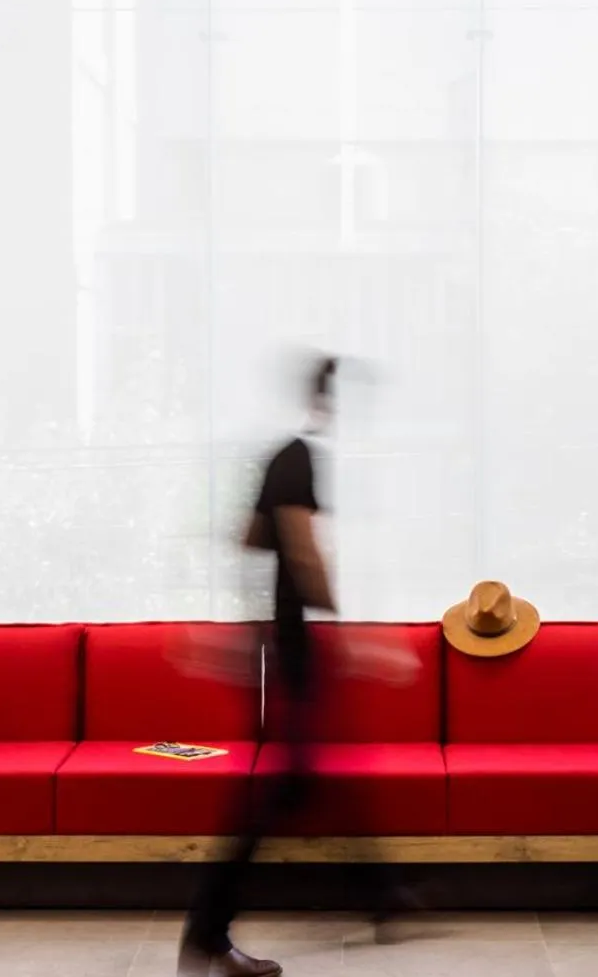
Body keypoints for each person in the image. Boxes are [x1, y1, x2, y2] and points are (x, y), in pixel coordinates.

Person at [179, 355, 413, 977]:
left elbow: (250, 537)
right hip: (296, 646)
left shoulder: (279, 456)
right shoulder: (302, 456)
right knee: (280, 786)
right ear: (328, 401)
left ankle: (379, 893)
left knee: (303, 777)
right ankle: (207, 930)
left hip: (281, 642)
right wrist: (341, 626)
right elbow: (300, 549)